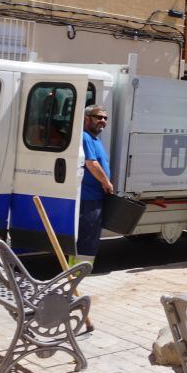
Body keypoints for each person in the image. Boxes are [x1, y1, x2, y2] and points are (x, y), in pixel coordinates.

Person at [77, 105, 113, 266]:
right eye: (99, 117)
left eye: (105, 118)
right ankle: (79, 271)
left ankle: (78, 271)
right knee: (87, 238)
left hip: (95, 197)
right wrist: (106, 182)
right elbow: (91, 164)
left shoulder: (95, 139)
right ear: (86, 118)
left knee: (89, 238)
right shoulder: (85, 137)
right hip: (88, 199)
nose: (103, 121)